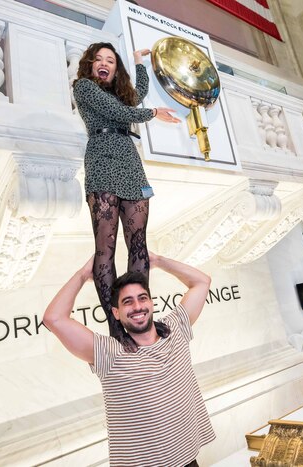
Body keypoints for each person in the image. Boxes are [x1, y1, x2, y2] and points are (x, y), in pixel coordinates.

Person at [43, 252, 216, 467]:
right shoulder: (109, 352)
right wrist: (83, 274)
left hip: (187, 460)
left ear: (151, 303)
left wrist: (159, 261)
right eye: (128, 302)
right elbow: (54, 318)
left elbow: (202, 282)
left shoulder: (175, 329)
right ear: (116, 313)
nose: (137, 307)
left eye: (142, 298)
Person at [72, 42, 180, 350]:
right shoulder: (83, 88)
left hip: (130, 163)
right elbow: (118, 112)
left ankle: (139, 321)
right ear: (90, 65)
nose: (104, 63)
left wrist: (138, 63)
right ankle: (115, 326)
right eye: (99, 59)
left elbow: (135, 97)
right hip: (102, 161)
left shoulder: (120, 93)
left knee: (139, 244)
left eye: (111, 60)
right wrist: (153, 113)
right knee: (105, 249)